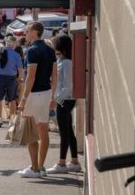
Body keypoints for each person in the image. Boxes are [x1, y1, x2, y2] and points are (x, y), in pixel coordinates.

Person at [17, 21, 58, 178]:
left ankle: (34, 168)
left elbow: (31, 76)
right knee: (43, 131)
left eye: (27, 30)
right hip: (47, 93)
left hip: (34, 94)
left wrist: (23, 98)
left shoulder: (32, 50)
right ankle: (41, 167)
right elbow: (54, 75)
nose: (25, 33)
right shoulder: (49, 49)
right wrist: (53, 95)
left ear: (34, 32)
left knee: (31, 132)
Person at [46, 34, 81, 174]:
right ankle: (74, 161)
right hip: (65, 99)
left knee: (64, 132)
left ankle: (61, 163)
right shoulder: (62, 60)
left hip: (65, 100)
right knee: (69, 131)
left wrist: (56, 99)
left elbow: (68, 85)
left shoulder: (66, 63)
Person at [0, 40, 24, 127]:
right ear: (13, 45)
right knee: (12, 99)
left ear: (5, 44)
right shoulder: (16, 54)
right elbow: (20, 69)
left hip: (0, 78)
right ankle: (11, 119)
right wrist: (19, 78)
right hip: (12, 78)